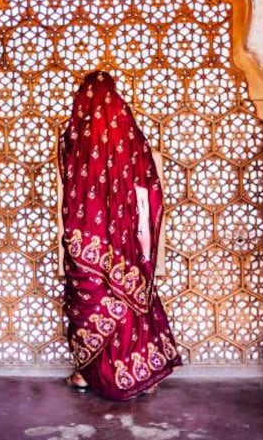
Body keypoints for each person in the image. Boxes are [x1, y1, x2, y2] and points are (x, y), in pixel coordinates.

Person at [58, 71, 181, 400]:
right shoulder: (132, 138)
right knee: (128, 299)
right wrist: (139, 239)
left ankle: (87, 375)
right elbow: (149, 190)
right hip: (126, 240)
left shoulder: (73, 136)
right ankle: (145, 373)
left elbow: (68, 190)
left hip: (86, 241)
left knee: (92, 300)